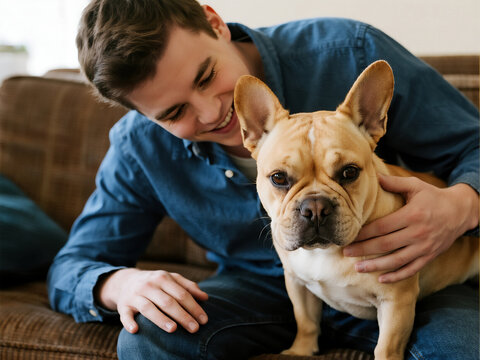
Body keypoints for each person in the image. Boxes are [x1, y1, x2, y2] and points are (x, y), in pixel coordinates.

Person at [47, 0, 479, 359]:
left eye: (206, 76)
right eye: (174, 113)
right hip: (263, 288)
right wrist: (118, 283)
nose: (213, 113)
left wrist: (459, 207)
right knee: (149, 339)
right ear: (142, 115)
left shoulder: (347, 51)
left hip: (407, 273)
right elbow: (72, 266)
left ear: (215, 23)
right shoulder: (139, 144)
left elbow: (472, 145)